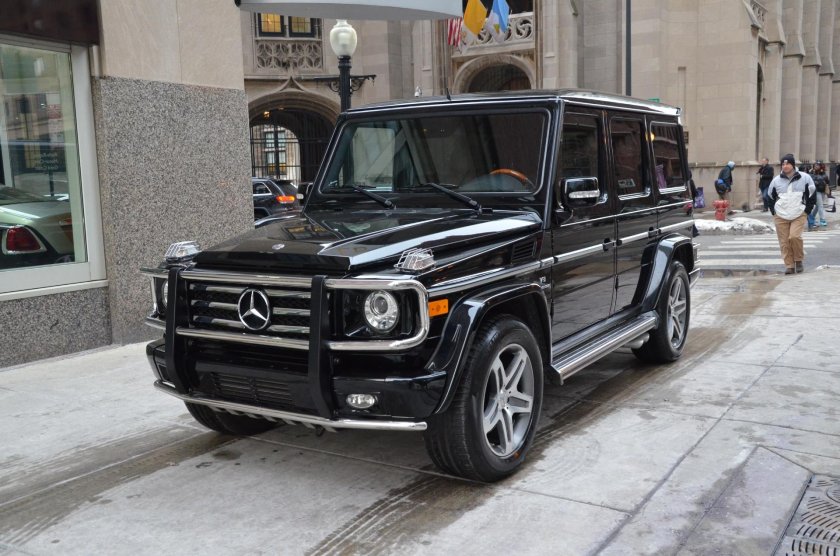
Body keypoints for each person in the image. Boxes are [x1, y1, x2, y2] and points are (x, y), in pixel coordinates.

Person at [768, 153, 816, 274]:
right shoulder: (776, 181)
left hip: (798, 214)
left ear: (793, 165)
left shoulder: (805, 178)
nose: (785, 166)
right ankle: (789, 265)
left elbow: (812, 194)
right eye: (783, 164)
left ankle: (798, 260)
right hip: (780, 215)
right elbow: (769, 197)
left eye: (787, 163)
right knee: (784, 242)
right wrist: (774, 212)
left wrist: (807, 210)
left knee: (794, 237)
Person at [808, 162, 829, 230]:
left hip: (822, 190)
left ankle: (812, 218)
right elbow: (811, 181)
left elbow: (827, 181)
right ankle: (822, 220)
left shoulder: (823, 173)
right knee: (820, 205)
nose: (816, 166)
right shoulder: (811, 173)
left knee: (818, 206)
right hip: (816, 191)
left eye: (818, 165)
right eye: (815, 165)